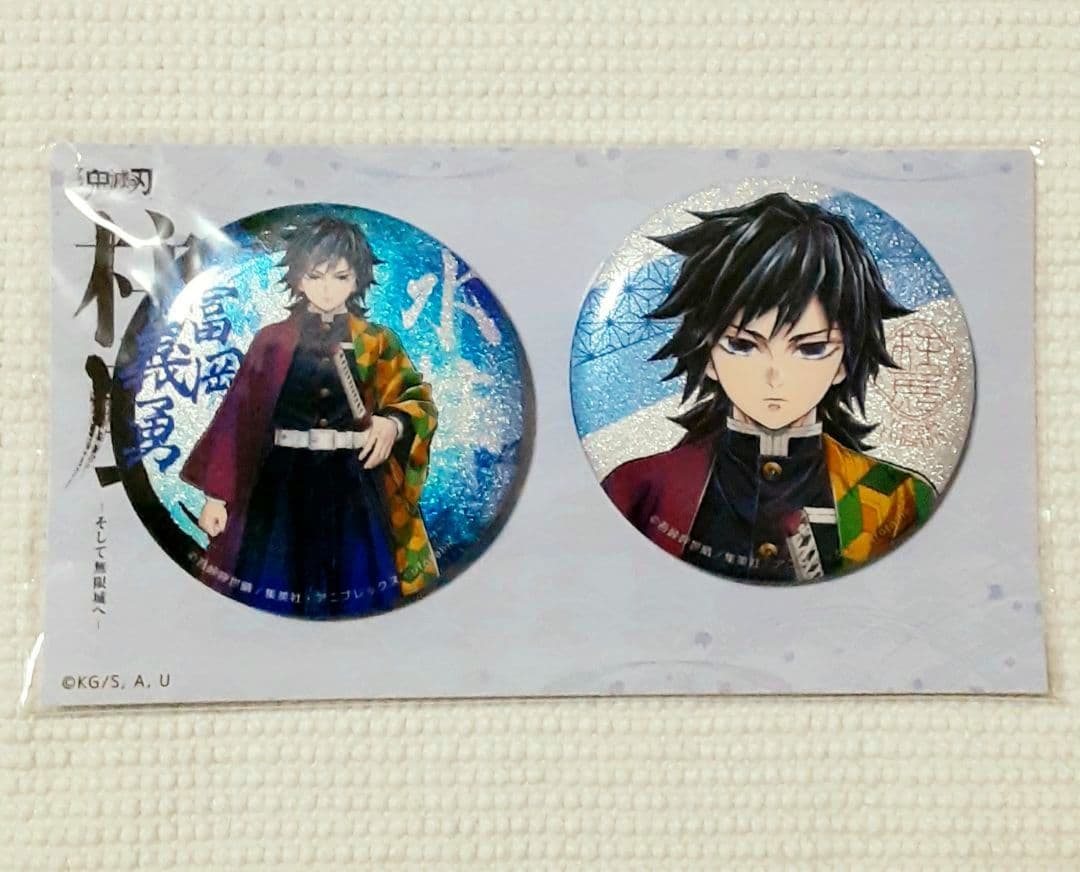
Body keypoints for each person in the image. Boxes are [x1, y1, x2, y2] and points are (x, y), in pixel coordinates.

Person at [602, 192, 934, 583]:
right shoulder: (638, 490)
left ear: (845, 361)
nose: (775, 376)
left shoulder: (899, 499)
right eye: (743, 345)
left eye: (810, 348)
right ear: (707, 353)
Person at [181, 216, 439, 617]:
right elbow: (237, 419)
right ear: (298, 279)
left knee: (362, 588)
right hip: (281, 486)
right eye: (315, 276)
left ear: (358, 279)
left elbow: (416, 398)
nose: (327, 288)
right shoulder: (272, 341)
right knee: (270, 584)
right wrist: (216, 497)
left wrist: (393, 422)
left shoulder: (377, 342)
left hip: (356, 484)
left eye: (340, 277)